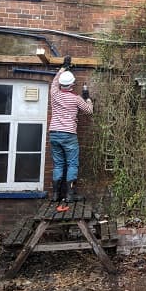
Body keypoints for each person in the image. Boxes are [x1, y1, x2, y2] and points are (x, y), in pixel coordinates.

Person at [49, 56, 93, 202]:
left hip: (54, 133)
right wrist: (87, 98)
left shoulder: (54, 93)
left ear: (61, 84)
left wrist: (64, 67)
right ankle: (69, 195)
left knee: (58, 164)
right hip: (68, 135)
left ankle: (55, 195)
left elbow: (55, 80)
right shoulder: (75, 99)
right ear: (72, 85)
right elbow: (89, 110)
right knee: (72, 163)